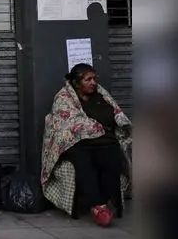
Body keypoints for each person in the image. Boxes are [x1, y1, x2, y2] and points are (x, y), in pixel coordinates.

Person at [41, 63, 132, 227]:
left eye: (94, 79)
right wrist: (93, 126)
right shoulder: (63, 98)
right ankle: (100, 207)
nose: (93, 82)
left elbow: (114, 114)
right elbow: (64, 124)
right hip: (76, 143)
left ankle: (100, 204)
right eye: (88, 79)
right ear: (76, 83)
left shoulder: (101, 96)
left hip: (105, 142)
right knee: (84, 166)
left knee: (112, 165)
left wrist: (100, 126)